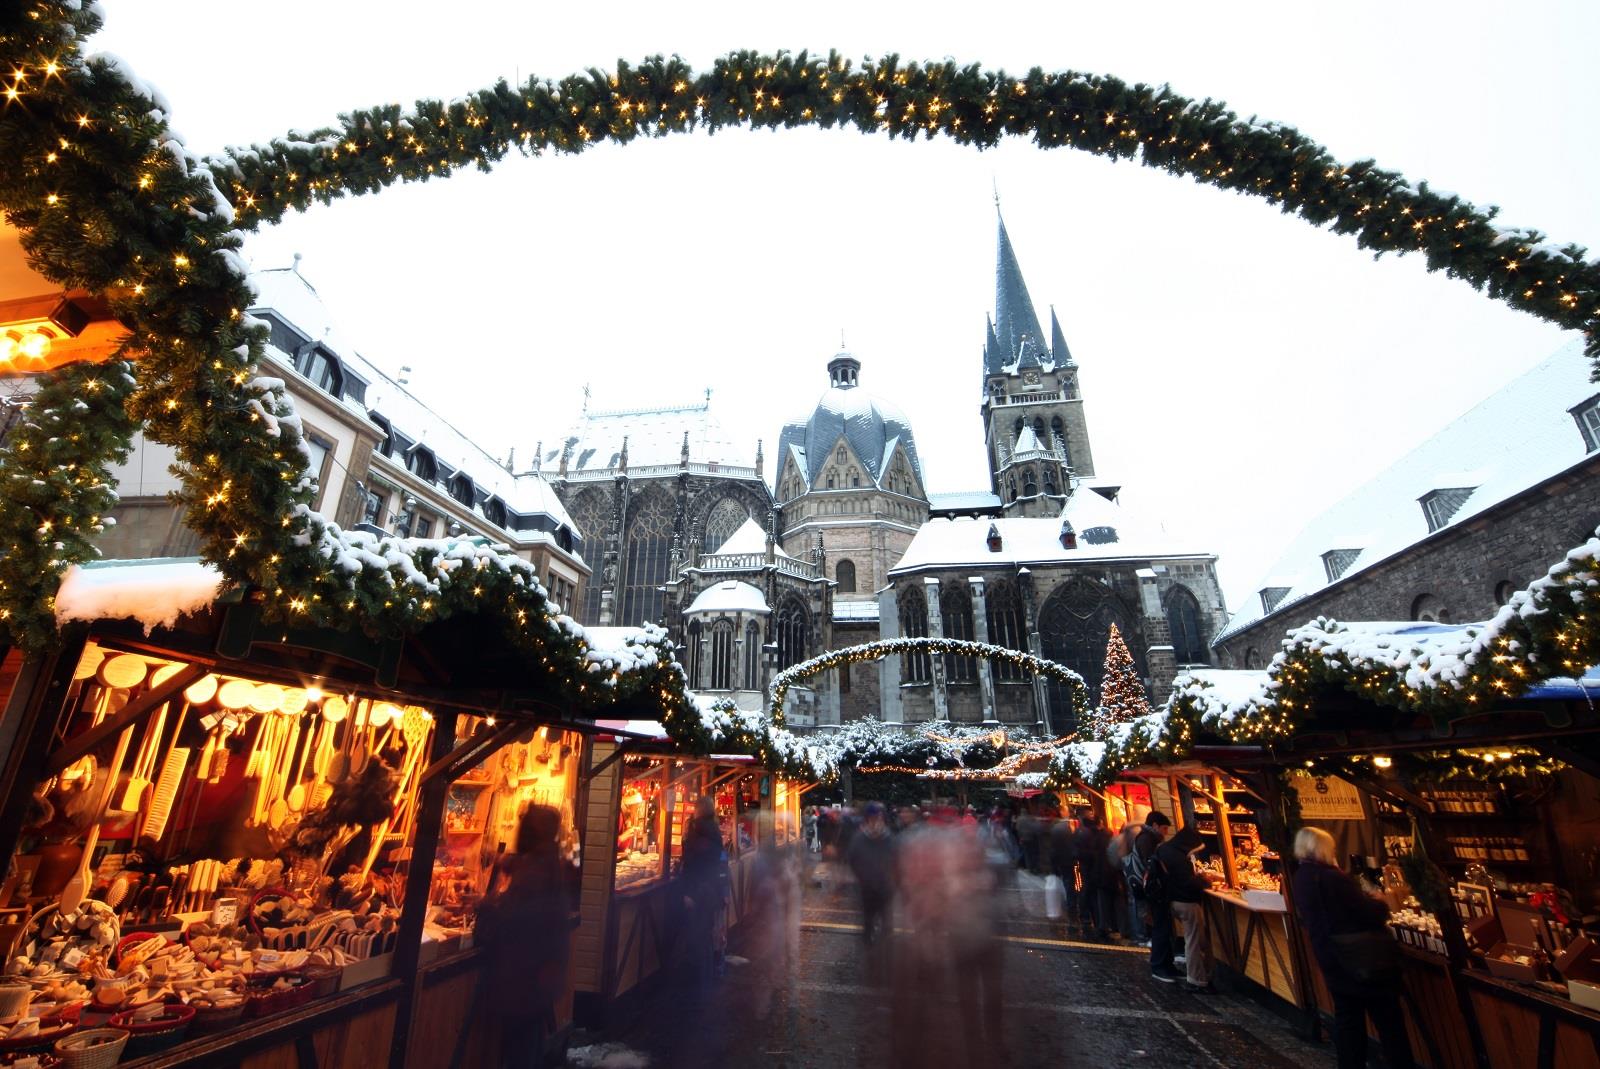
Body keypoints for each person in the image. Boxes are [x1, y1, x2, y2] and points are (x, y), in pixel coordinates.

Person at [1292, 827, 1417, 1069]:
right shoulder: (1332, 877)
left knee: (1348, 1022)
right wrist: (1380, 903)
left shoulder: (1301, 877)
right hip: (1362, 961)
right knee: (1389, 1022)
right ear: (1322, 848)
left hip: (1331, 958)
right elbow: (1367, 914)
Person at [476, 805, 573, 1069]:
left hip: (525, 975)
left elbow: (513, 917)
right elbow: (523, 865)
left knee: (520, 1047)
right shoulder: (550, 861)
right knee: (529, 1040)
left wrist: (484, 904)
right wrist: (502, 860)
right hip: (540, 975)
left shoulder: (535, 873)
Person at [1157, 823, 1215, 991]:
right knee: (1194, 941)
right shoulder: (1178, 858)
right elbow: (1187, 882)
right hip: (1186, 902)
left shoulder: (1164, 849)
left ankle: (1203, 975)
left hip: (1171, 901)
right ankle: (1196, 980)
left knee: (1196, 940)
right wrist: (1204, 881)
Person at [678, 794, 728, 992]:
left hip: (700, 891)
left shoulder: (698, 830)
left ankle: (697, 982)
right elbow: (717, 861)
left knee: (697, 935)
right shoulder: (713, 830)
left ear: (699, 809)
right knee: (705, 933)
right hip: (710, 890)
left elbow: (694, 864)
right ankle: (706, 977)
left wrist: (690, 892)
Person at [846, 801, 897, 948]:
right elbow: (852, 860)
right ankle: (870, 955)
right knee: (868, 922)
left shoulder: (889, 839)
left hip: (885, 888)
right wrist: (862, 877)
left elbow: (896, 860)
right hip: (866, 889)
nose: (876, 822)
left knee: (887, 923)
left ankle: (886, 953)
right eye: (873, 818)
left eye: (879, 818)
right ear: (867, 819)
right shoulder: (859, 839)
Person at [1135, 812, 1179, 981]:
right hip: (1154, 891)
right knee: (1160, 927)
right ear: (1155, 826)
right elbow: (1152, 866)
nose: (1166, 832)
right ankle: (1159, 966)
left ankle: (1167, 964)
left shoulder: (1148, 838)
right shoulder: (1147, 840)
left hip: (1156, 890)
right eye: (1164, 828)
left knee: (1164, 927)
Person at [1072, 811, 1113, 938]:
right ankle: (1100, 924)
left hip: (1087, 869)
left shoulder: (1081, 833)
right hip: (1097, 871)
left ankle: (1090, 920)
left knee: (1089, 895)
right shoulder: (1101, 835)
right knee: (1097, 898)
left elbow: (1078, 852)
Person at [1112, 820, 1147, 942]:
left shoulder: (1121, 837)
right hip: (1136, 874)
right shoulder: (1138, 834)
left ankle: (1134, 933)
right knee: (1137, 904)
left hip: (1126, 873)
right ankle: (1140, 934)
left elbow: (1115, 858)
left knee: (1132, 903)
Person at [1048, 814, 1079, 928]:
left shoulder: (1055, 830)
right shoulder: (1068, 830)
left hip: (1061, 862)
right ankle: (1072, 911)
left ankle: (1069, 908)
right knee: (1070, 886)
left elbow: (1053, 850)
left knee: (1067, 885)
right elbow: (1072, 846)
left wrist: (1053, 867)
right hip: (1069, 861)